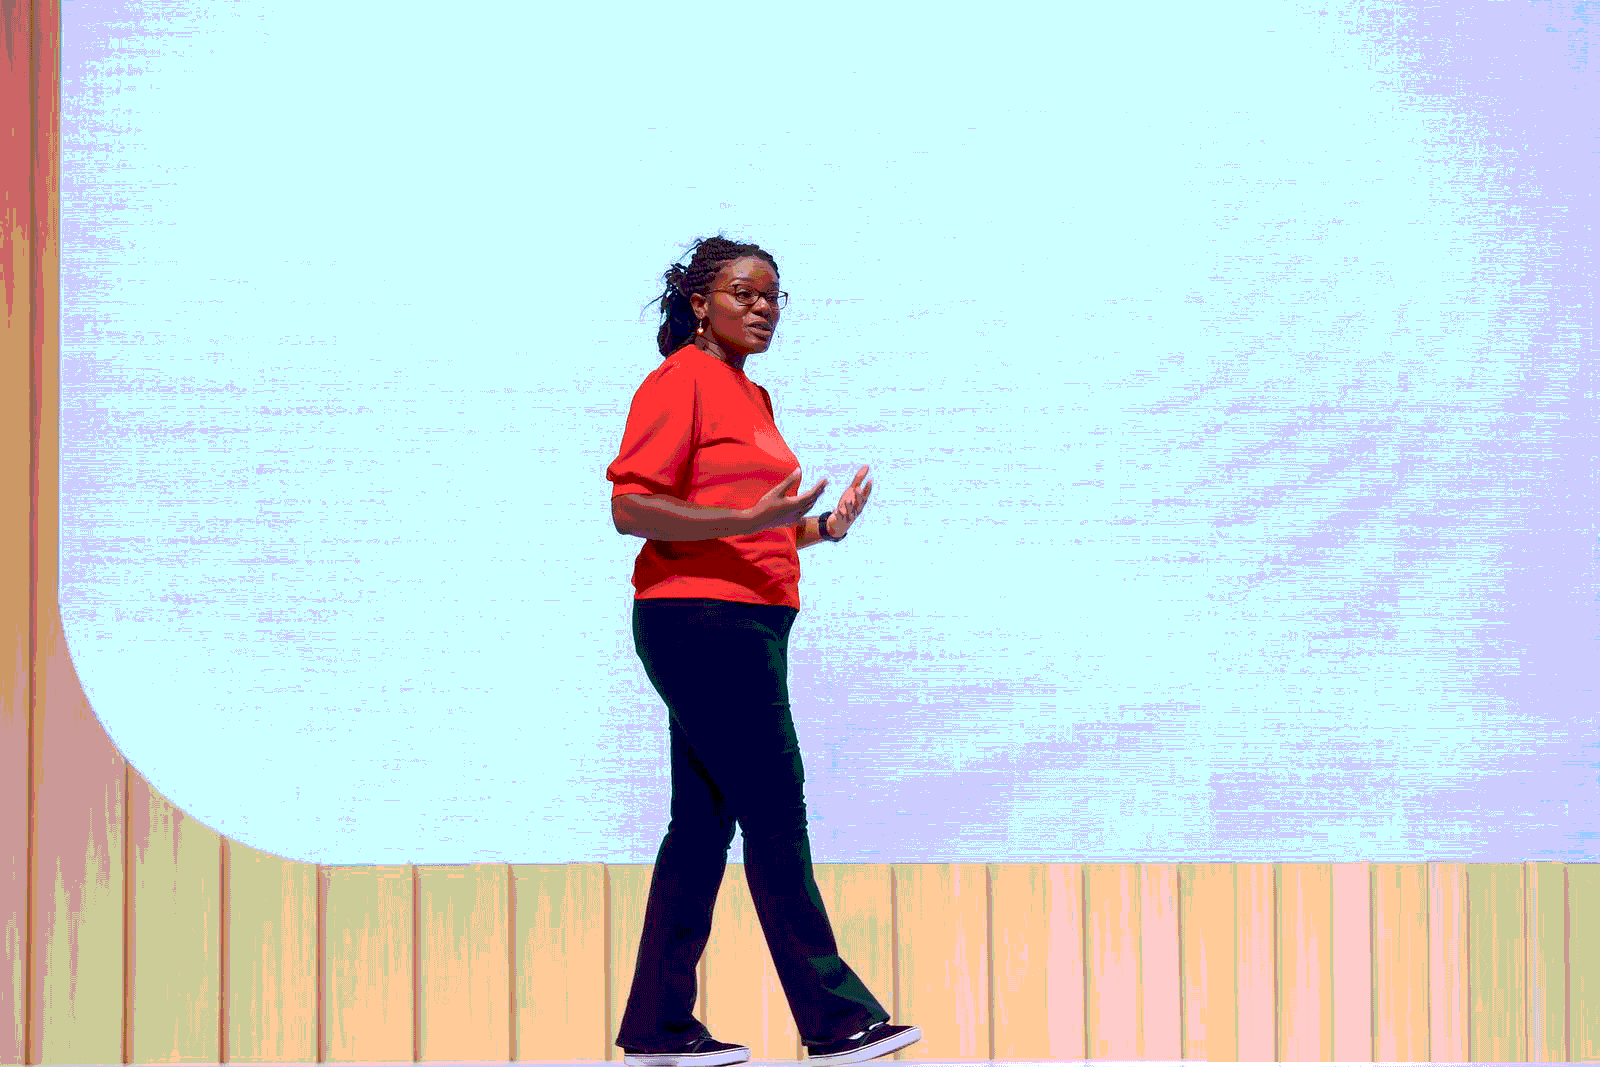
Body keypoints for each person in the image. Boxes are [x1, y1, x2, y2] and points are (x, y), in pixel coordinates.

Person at [607, 236, 921, 1067]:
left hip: (749, 622)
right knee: (776, 807)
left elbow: (756, 531)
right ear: (699, 303)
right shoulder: (679, 381)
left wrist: (820, 528)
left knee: (701, 825)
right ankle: (836, 1019)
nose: (762, 308)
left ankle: (657, 1026)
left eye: (773, 296)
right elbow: (632, 509)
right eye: (743, 293)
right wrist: (748, 520)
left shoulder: (753, 395)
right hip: (700, 620)